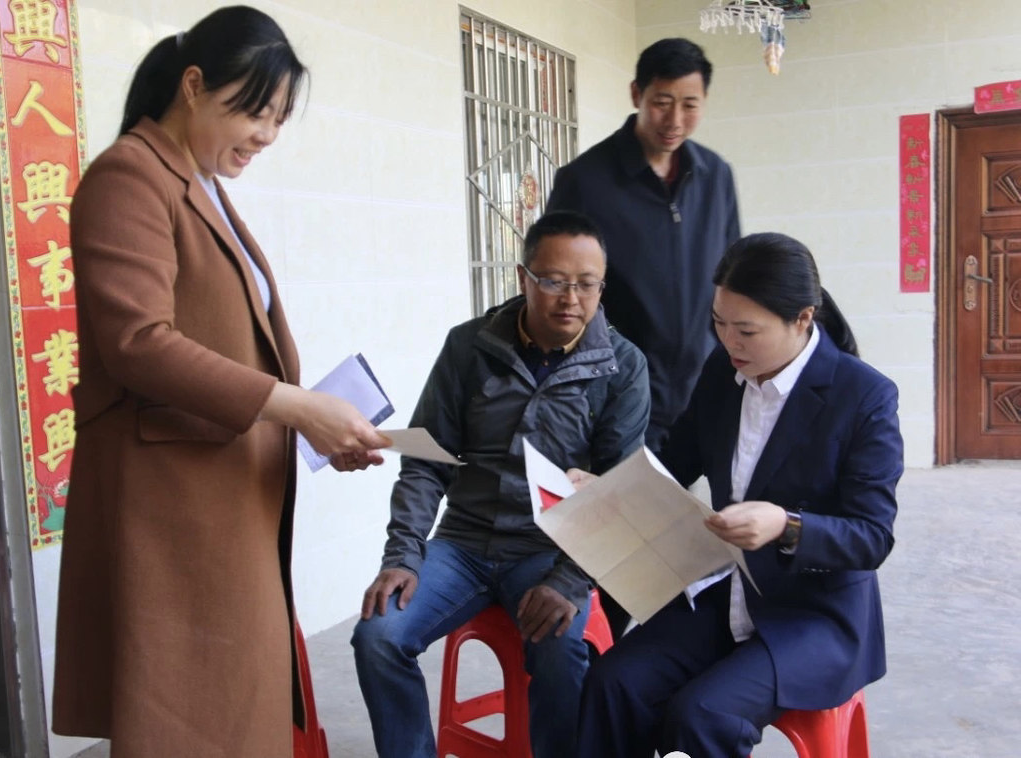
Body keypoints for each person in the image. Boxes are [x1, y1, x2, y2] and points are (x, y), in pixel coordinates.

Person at [51, 7, 390, 757]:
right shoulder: (129, 175)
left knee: (233, 708)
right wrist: (297, 407)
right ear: (194, 85)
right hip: (172, 503)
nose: (266, 135)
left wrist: (312, 422)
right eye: (255, 111)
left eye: (278, 120)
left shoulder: (198, 183)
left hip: (225, 492)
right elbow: (138, 343)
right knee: (190, 715)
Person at [574, 232, 904, 758]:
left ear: (802, 318)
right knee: (615, 683)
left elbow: (871, 536)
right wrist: (611, 488)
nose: (730, 342)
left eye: (746, 330)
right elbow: (675, 461)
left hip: (814, 615)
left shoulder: (863, 396)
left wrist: (786, 525)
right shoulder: (723, 373)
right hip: (732, 591)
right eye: (719, 323)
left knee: (703, 714)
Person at [351, 211, 650, 758]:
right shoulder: (469, 347)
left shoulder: (622, 367)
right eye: (553, 281)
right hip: (462, 545)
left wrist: (569, 580)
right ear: (522, 277)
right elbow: (426, 461)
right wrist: (403, 556)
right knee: (378, 635)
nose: (571, 299)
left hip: (550, 550)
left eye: (587, 285)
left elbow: (617, 492)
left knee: (561, 648)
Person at [545, 37, 740, 452]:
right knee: (620, 494)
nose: (675, 120)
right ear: (637, 94)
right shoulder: (584, 181)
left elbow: (733, 278)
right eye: (662, 102)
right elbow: (555, 288)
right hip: (616, 395)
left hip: (699, 394)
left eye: (690, 105)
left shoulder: (715, 176)